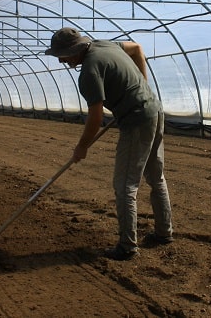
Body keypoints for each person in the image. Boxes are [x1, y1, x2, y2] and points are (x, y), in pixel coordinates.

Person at [45, 27, 174, 261]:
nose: (62, 61)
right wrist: (142, 83)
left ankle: (127, 246)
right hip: (154, 110)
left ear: (73, 51)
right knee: (156, 177)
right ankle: (164, 232)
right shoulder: (105, 44)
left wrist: (82, 146)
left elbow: (95, 117)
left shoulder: (89, 73)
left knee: (125, 185)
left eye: (62, 56)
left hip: (137, 121)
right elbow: (137, 48)